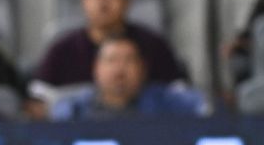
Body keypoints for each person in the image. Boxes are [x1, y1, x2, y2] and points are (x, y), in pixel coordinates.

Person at [34, 0, 186, 89]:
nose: (103, 0)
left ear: (127, 0)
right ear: (84, 0)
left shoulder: (153, 45)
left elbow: (181, 100)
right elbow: (38, 103)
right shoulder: (61, 50)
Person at [51, 36, 208, 121]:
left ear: (142, 68)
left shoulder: (165, 101)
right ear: (96, 69)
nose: (120, 69)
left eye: (128, 60)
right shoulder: (73, 108)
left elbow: (206, 106)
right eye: (111, 60)